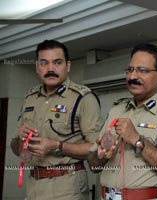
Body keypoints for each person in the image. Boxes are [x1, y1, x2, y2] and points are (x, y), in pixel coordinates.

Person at [88, 43, 157, 200]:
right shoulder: (117, 109)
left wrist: (138, 140)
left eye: (142, 71)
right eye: (130, 70)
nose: (132, 76)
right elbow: (93, 166)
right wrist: (101, 155)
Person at [10, 39, 102, 200]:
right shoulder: (30, 98)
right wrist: (20, 140)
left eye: (57, 62)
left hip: (67, 187)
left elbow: (96, 149)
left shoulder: (83, 98)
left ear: (67, 66)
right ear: (37, 67)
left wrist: (57, 146)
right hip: (34, 186)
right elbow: (16, 148)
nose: (50, 68)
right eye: (44, 63)